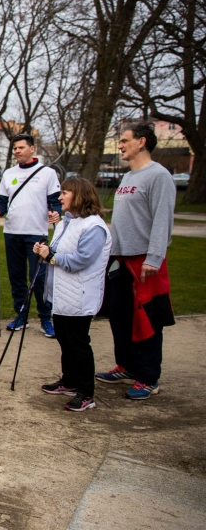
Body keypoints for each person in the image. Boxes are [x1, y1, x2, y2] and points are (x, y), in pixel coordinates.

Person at [95, 122, 176, 401]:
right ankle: (126, 365)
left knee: (147, 319)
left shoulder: (159, 176)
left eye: (124, 140)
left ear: (142, 142)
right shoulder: (128, 178)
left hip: (145, 262)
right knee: (119, 314)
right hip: (120, 259)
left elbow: (163, 220)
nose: (120, 145)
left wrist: (154, 257)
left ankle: (149, 376)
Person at [34, 177, 111, 412]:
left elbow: (81, 259)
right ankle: (69, 381)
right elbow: (60, 249)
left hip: (80, 293)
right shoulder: (69, 222)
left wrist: (51, 256)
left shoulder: (94, 226)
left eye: (64, 192)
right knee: (65, 340)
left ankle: (86, 393)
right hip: (63, 293)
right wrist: (46, 250)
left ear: (78, 195)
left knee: (78, 343)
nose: (59, 197)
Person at [0, 134, 62, 337]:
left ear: (32, 149)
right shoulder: (9, 174)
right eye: (15, 149)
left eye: (21, 147)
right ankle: (21, 315)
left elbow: (55, 201)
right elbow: (2, 200)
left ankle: (45, 318)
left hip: (36, 232)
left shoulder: (47, 173)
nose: (17, 151)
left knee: (38, 278)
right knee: (17, 277)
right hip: (12, 232)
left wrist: (55, 212)